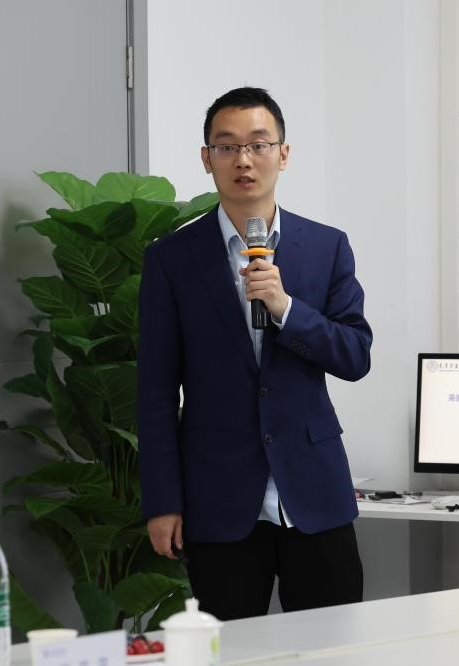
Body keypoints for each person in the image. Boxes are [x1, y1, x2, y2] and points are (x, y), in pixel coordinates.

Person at [137, 86, 373, 621]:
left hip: (313, 489)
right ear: (207, 159)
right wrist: (163, 502)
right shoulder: (171, 259)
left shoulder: (326, 246)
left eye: (259, 144)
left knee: (333, 648)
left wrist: (287, 309)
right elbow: (154, 393)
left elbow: (355, 355)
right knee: (229, 650)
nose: (243, 160)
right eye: (227, 147)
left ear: (283, 154)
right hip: (217, 495)